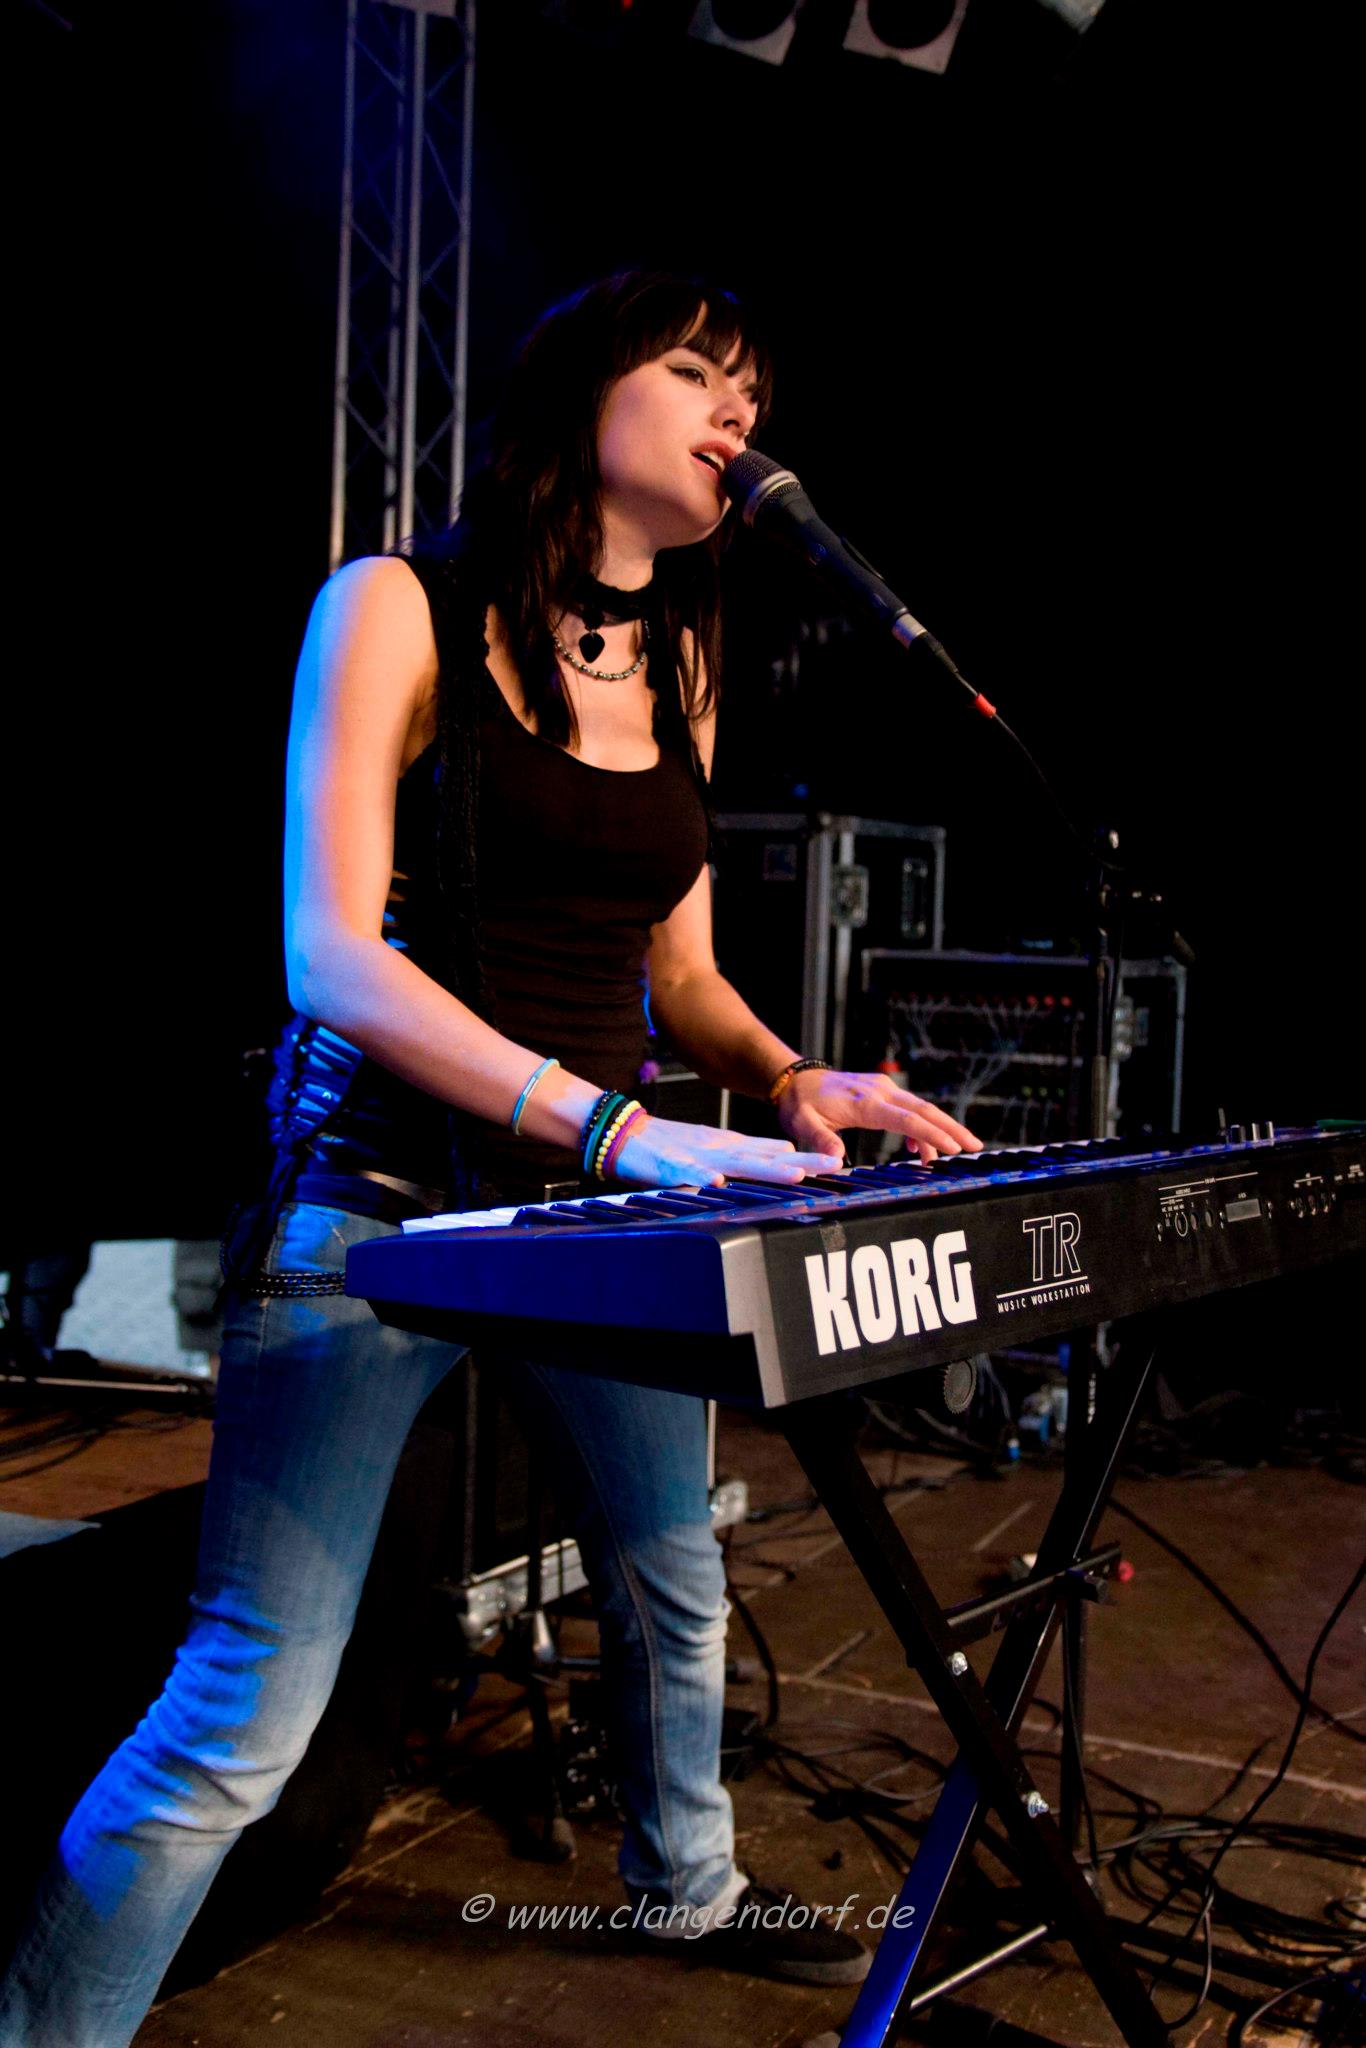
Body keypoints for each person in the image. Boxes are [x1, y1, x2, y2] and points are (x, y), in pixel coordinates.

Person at [0, 271, 980, 2046]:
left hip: (595, 1215)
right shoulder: (394, 604)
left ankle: (682, 1877)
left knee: (676, 1586)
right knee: (241, 1718)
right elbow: (329, 959)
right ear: (580, 395)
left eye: (751, 390)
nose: (736, 413)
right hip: (378, 1208)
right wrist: (621, 1128)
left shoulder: (682, 658)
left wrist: (787, 1074)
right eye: (695, 371)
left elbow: (677, 976)